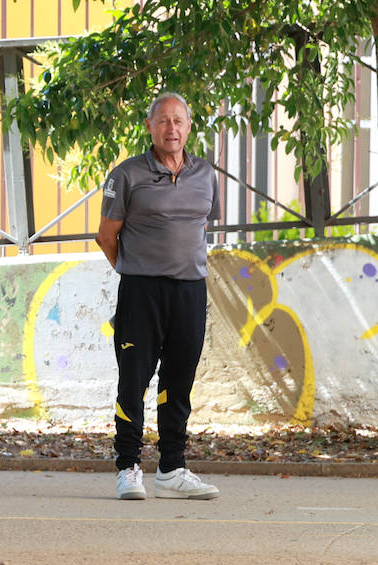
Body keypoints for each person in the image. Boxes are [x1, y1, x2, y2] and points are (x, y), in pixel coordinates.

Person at [95, 92, 221, 500]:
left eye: (179, 121)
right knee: (134, 380)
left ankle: (172, 469)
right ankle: (129, 466)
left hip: (189, 291)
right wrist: (135, 272)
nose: (172, 128)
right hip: (141, 291)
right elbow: (106, 236)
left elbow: (199, 229)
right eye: (163, 121)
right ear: (149, 126)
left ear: (189, 126)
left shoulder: (205, 174)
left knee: (179, 382)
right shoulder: (126, 174)